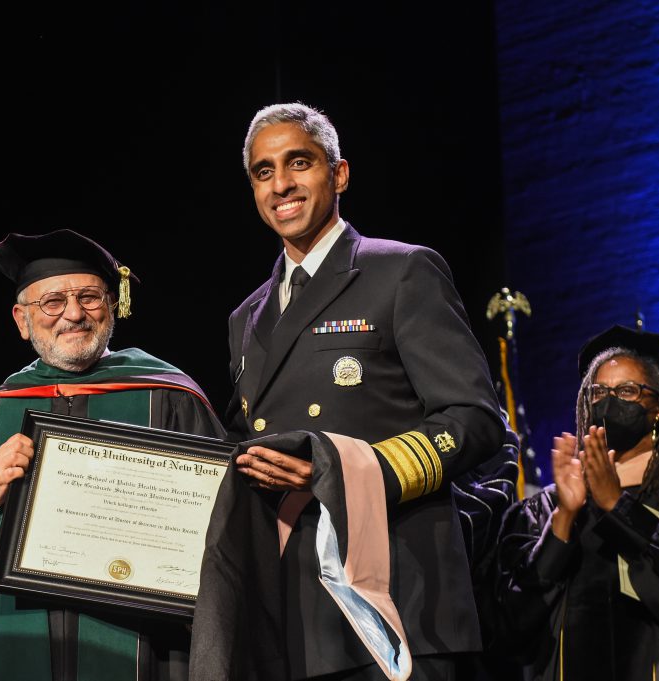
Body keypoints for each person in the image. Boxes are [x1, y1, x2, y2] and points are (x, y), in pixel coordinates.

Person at [189, 102, 508, 681]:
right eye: (263, 172)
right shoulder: (246, 317)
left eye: (298, 163)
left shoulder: (402, 272)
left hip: (397, 597)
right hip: (294, 611)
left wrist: (343, 471)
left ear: (338, 174)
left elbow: (477, 419)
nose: (281, 184)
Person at [0, 229, 225, 681]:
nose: (74, 314)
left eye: (90, 298)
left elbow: (228, 533)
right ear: (22, 319)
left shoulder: (172, 400)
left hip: (147, 650)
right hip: (8, 646)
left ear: (113, 307)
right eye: (53, 302)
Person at [494, 324, 659, 680]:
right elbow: (511, 627)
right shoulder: (550, 505)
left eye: (627, 390)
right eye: (598, 392)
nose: (609, 402)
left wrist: (617, 506)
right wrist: (563, 519)